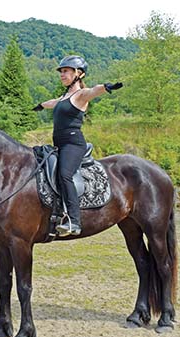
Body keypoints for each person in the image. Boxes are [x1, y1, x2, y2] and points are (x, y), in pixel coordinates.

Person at [33, 55, 122, 236]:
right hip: (59, 145)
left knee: (65, 174)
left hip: (73, 144)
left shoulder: (81, 95)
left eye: (66, 71)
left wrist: (106, 87)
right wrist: (41, 106)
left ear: (79, 74)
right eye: (61, 72)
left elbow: (93, 91)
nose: (62, 74)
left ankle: (74, 221)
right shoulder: (64, 97)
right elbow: (53, 103)